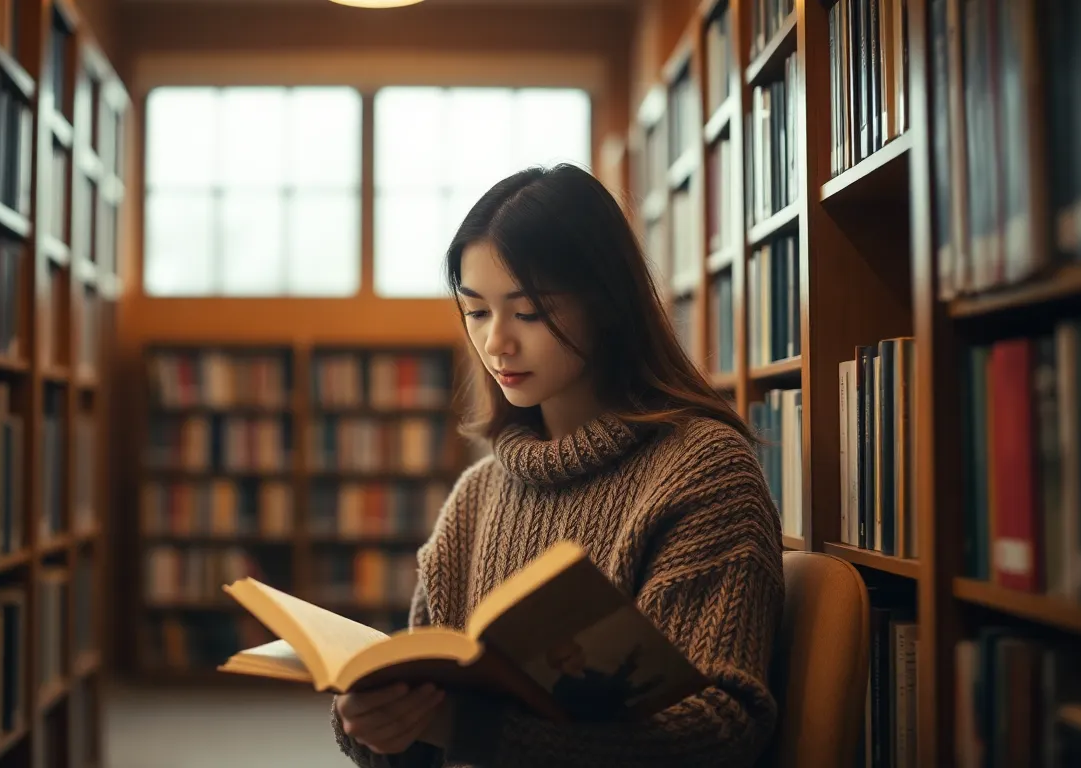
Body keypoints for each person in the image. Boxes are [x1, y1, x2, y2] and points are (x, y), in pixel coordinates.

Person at [331, 163, 784, 767]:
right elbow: (429, 728)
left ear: (607, 304)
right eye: (476, 311)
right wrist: (377, 726)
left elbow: (716, 733)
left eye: (530, 311)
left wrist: (473, 730)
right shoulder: (476, 494)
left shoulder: (702, 471)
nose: (496, 343)